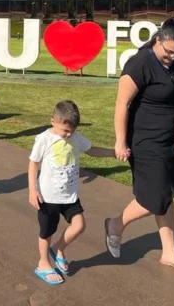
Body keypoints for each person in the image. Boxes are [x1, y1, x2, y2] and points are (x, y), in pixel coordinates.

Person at [104, 17, 174, 275]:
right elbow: (121, 103)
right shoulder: (140, 63)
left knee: (166, 194)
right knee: (155, 198)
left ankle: (169, 252)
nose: (172, 57)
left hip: (169, 139)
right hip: (145, 140)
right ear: (157, 40)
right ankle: (115, 224)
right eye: (168, 51)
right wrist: (120, 141)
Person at [29, 100, 114, 285]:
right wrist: (32, 190)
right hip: (48, 197)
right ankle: (43, 264)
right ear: (53, 122)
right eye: (65, 130)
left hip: (69, 195)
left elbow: (92, 151)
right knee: (46, 232)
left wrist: (114, 153)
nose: (69, 134)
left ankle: (58, 248)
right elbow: (33, 164)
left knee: (79, 225)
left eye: (72, 130)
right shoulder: (44, 139)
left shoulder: (76, 137)